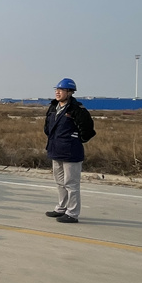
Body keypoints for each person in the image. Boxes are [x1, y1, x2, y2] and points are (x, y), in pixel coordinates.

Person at [44, 78, 95, 223]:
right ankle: (61, 208)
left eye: (61, 90)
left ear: (70, 92)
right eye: (57, 89)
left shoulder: (77, 109)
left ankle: (72, 213)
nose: (57, 92)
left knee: (71, 184)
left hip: (71, 152)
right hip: (56, 149)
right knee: (60, 182)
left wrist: (76, 139)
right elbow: (47, 127)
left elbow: (88, 129)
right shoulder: (53, 107)